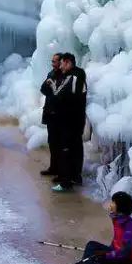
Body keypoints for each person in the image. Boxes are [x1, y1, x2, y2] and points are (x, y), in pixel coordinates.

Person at [68, 191, 132, 264]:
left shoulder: (131, 226)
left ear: (120, 207)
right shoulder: (119, 218)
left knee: (102, 262)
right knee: (92, 245)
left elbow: (126, 252)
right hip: (117, 251)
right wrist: (107, 252)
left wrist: (107, 255)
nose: (110, 205)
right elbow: (117, 240)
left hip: (130, 262)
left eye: (113, 203)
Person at [51, 52, 87, 192]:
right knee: (77, 148)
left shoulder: (72, 76)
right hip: (78, 119)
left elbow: (59, 94)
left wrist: (53, 85)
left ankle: (66, 182)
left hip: (69, 119)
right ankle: (75, 176)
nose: (60, 67)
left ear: (67, 62)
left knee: (66, 149)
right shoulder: (80, 75)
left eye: (62, 64)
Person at [39, 52, 63, 177]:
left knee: (60, 144)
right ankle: (53, 168)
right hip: (50, 112)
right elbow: (43, 90)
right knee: (52, 142)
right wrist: (47, 83)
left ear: (61, 62)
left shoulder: (65, 76)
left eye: (54, 61)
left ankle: (62, 172)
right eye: (52, 61)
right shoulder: (51, 74)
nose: (52, 64)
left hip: (60, 115)